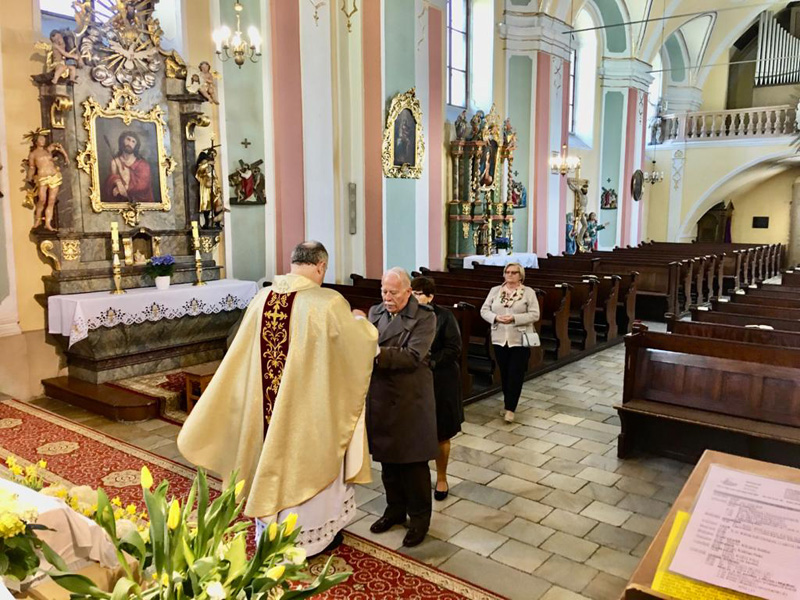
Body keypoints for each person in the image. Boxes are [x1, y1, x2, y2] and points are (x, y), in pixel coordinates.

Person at [178, 241, 379, 555]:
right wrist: (363, 325)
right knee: (308, 463)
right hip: (307, 410)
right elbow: (355, 345)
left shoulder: (262, 298)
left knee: (267, 457)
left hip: (263, 409)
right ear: (321, 266)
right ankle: (311, 540)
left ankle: (270, 530)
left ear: (293, 262)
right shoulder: (327, 303)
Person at [367, 268, 437, 548]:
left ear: (408, 292)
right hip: (381, 396)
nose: (387, 297)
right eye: (384, 291)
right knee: (388, 463)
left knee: (413, 464)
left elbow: (413, 355)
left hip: (410, 398)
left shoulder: (425, 317)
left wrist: (376, 353)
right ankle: (394, 510)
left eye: (393, 292)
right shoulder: (375, 312)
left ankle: (419, 519)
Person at [410, 276, 463, 501]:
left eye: (418, 294)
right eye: (412, 293)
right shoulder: (405, 315)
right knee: (415, 433)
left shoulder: (444, 317)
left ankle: (441, 477)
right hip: (413, 382)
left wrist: (429, 362)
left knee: (441, 432)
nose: (414, 297)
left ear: (430, 296)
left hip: (440, 381)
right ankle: (416, 479)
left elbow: (454, 348)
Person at [480, 263, 540, 423]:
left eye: (514, 272)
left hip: (519, 339)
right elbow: (484, 310)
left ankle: (510, 409)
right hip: (499, 338)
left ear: (521, 275)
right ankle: (508, 403)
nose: (510, 275)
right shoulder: (495, 291)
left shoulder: (528, 292)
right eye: (507, 272)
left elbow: (535, 314)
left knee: (516, 374)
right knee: (505, 373)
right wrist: (495, 318)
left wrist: (514, 318)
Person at [26, 132, 68, 231]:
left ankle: (48, 223)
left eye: (44, 139)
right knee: (42, 199)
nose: (43, 141)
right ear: (36, 142)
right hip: (42, 178)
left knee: (51, 200)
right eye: (40, 139)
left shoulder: (48, 150)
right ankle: (38, 219)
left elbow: (58, 146)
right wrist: (29, 176)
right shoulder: (33, 154)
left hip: (54, 176)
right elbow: (32, 167)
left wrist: (65, 156)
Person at [104, 131, 154, 204]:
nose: (130, 143)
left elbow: (143, 185)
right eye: (128, 139)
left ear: (136, 146)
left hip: (142, 204)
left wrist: (125, 188)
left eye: (133, 142)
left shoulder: (143, 164)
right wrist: (117, 182)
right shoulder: (115, 162)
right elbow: (111, 180)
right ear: (122, 141)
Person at [195, 147, 222, 227]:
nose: (213, 157)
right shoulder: (204, 162)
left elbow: (214, 175)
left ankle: (215, 222)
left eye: (214, 155)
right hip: (206, 186)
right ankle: (207, 222)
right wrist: (207, 164)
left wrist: (217, 185)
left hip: (213, 186)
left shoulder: (211, 165)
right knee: (207, 204)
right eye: (212, 154)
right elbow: (199, 170)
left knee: (216, 202)